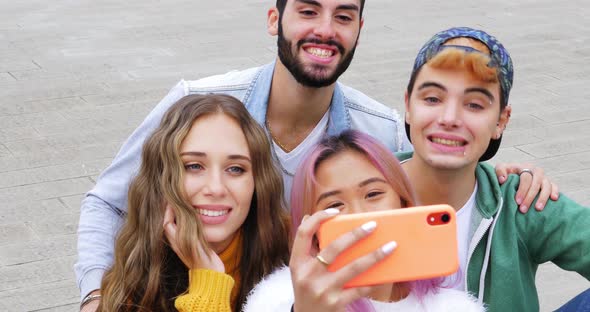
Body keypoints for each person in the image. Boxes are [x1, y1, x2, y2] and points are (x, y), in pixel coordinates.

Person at [76, 1, 556, 309]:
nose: (325, 30)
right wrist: (96, 296)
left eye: (343, 16)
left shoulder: (381, 129)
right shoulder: (199, 103)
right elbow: (107, 203)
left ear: (359, 29)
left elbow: (418, 175)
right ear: (274, 19)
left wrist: (495, 173)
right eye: (308, 11)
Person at [399, 27, 590, 311]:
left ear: (501, 120)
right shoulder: (355, 185)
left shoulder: (519, 203)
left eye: (474, 105)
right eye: (432, 99)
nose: (449, 118)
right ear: (408, 105)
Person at [243, 130, 484, 311]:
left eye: (373, 194)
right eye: (335, 204)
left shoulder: (452, 306)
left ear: (403, 202)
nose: (358, 215)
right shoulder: (276, 298)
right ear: (312, 229)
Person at [96, 94, 290, 311]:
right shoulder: (136, 276)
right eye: (194, 166)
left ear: (257, 182)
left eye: (236, 168)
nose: (215, 188)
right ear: (162, 177)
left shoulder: (292, 258)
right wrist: (208, 284)